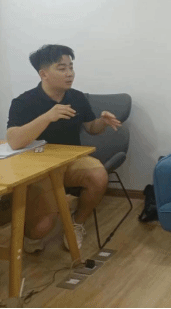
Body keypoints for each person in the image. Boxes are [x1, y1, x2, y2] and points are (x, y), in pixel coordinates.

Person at [6, 44, 122, 253]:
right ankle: (36, 229)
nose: (69, 74)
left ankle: (77, 223)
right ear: (44, 74)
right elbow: (14, 141)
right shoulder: (24, 101)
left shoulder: (76, 97)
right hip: (39, 167)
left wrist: (102, 122)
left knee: (98, 175)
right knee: (40, 229)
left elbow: (91, 128)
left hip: (70, 161)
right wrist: (47, 117)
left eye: (71, 67)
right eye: (62, 68)